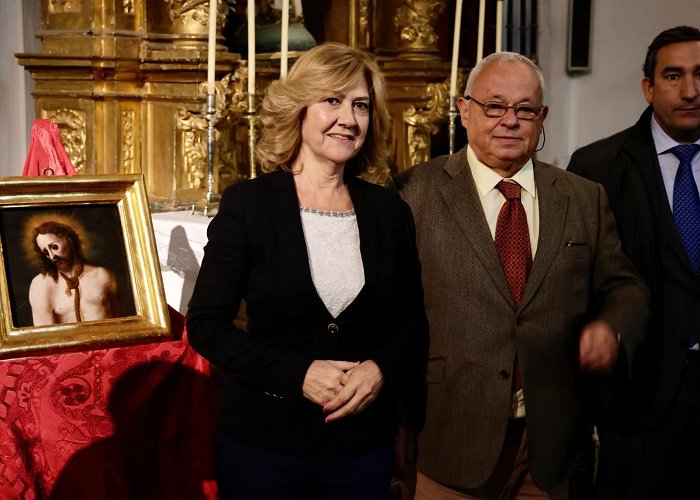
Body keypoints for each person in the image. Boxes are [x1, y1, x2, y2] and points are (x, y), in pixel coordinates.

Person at [394, 51, 650, 499]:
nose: (510, 120)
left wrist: (611, 326)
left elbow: (623, 285)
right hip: (447, 437)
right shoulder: (413, 193)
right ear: (465, 108)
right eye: (495, 106)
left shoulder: (582, 197)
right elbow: (390, 315)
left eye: (525, 109)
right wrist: (395, 420)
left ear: (542, 116)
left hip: (549, 443)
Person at [186, 42, 428, 500]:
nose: (349, 118)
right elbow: (206, 326)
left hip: (360, 447)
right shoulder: (250, 205)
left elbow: (410, 320)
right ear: (299, 109)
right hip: (264, 446)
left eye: (360, 105)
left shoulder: (388, 210)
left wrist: (379, 370)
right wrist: (297, 374)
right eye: (332, 101)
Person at [567, 26, 700, 499]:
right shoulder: (595, 168)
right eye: (673, 75)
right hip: (639, 399)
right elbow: (578, 286)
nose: (691, 90)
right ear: (648, 87)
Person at [29, 220, 120, 325]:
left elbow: (119, 322)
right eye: (46, 253)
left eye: (54, 247)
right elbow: (46, 336)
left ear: (69, 240)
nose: (52, 256)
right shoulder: (41, 284)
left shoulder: (103, 275)